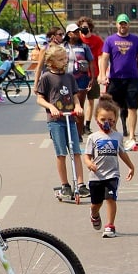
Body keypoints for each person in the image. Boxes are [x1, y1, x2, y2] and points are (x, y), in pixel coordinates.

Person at [35, 44, 88, 199]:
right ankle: (65, 185)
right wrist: (51, 107)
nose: (64, 61)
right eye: (60, 59)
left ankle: (81, 184)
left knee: (76, 151)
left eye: (65, 58)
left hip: (70, 118)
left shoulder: (69, 77)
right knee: (61, 154)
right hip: (56, 121)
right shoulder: (46, 78)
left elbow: (75, 95)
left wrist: (77, 106)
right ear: (51, 62)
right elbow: (39, 98)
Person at [98, 14, 138, 151]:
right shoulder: (110, 40)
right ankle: (115, 134)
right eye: (120, 24)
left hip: (132, 79)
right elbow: (104, 58)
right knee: (114, 108)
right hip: (115, 79)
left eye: (125, 24)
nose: (123, 26)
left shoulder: (135, 40)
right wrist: (102, 74)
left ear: (128, 25)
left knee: (132, 108)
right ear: (117, 25)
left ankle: (132, 136)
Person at [84, 95, 135, 238]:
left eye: (111, 120)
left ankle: (110, 225)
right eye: (103, 120)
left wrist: (131, 166)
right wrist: (89, 163)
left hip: (112, 174)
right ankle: (94, 213)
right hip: (96, 176)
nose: (107, 123)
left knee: (111, 199)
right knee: (96, 203)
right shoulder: (93, 137)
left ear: (115, 120)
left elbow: (122, 153)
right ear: (96, 120)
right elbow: (87, 156)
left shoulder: (117, 136)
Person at [67, 23, 96, 140]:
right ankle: (69, 132)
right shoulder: (62, 46)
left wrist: (92, 77)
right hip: (65, 80)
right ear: (68, 34)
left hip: (81, 79)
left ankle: (78, 134)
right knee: (67, 108)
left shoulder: (84, 47)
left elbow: (91, 62)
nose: (77, 34)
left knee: (79, 108)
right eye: (74, 32)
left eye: (78, 31)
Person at [79, 16, 104, 134]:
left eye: (85, 27)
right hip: (79, 75)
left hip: (93, 74)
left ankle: (87, 125)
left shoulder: (97, 40)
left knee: (91, 100)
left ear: (90, 28)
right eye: (81, 27)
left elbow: (100, 57)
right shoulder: (77, 39)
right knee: (79, 101)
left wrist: (100, 74)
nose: (83, 29)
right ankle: (79, 123)